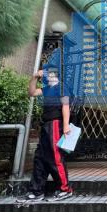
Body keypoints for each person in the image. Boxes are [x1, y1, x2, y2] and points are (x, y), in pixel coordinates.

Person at [16, 67, 73, 203]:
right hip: (46, 124)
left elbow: (65, 106)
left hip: (55, 124)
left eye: (47, 73)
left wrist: (66, 125)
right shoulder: (47, 89)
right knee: (40, 157)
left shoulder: (61, 87)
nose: (44, 75)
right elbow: (31, 92)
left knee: (55, 156)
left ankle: (65, 189)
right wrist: (34, 77)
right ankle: (36, 191)